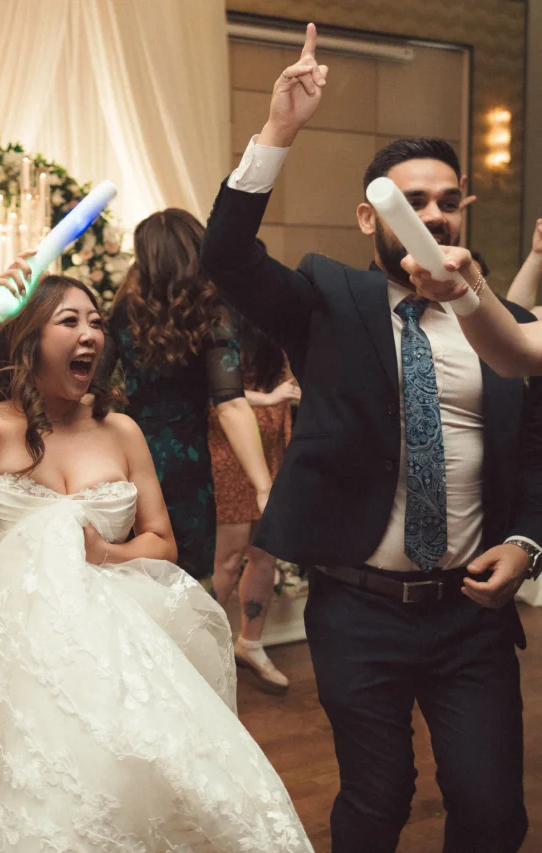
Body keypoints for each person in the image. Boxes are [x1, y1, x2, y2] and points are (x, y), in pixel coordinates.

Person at [200, 23, 542, 853]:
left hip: (471, 611)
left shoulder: (504, 325)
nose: (432, 213)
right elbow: (227, 255)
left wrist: (529, 542)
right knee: (377, 798)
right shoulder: (329, 298)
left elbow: (532, 450)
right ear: (369, 215)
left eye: (446, 199)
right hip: (359, 606)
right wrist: (280, 128)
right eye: (410, 200)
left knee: (494, 811)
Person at [0, 263, 311, 851]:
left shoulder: (121, 431)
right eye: (69, 321)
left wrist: (104, 552)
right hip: (10, 654)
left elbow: (161, 540)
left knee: (135, 793)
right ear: (30, 338)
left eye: (97, 322)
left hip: (115, 646)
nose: (91, 334)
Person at [107, 208, 273, 581]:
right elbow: (231, 403)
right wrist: (264, 486)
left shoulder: (121, 311)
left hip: (124, 460)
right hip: (184, 464)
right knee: (183, 580)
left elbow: (96, 390)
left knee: (126, 575)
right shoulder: (210, 314)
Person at [208, 311, 298, 693]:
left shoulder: (273, 319)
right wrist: (272, 397)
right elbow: (216, 394)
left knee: (265, 553)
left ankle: (250, 643)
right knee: (227, 560)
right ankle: (200, 650)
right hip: (228, 447)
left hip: (273, 445)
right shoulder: (215, 320)